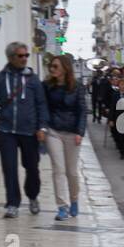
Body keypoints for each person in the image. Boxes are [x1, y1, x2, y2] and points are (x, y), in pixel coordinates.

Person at [0, 41, 49, 218]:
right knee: (9, 168)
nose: (25, 59)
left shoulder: (33, 80)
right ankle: (12, 203)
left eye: (26, 55)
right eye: (21, 56)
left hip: (30, 132)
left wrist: (42, 127)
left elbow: (41, 105)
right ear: (10, 57)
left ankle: (33, 196)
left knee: (32, 168)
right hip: (6, 131)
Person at [42, 54, 86, 222]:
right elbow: (43, 106)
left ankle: (74, 199)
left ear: (65, 69)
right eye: (51, 66)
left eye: (55, 66)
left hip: (72, 132)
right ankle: (62, 206)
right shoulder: (47, 86)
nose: (52, 69)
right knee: (58, 169)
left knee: (72, 172)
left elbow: (82, 110)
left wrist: (80, 132)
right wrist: (43, 127)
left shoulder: (77, 87)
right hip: (53, 131)